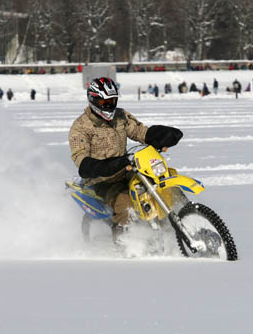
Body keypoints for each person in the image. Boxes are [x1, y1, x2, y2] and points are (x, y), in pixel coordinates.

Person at [69, 77, 183, 244]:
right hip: (102, 179)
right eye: (104, 101)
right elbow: (81, 160)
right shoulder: (80, 127)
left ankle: (180, 222)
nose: (109, 105)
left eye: (112, 100)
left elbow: (140, 131)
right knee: (126, 206)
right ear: (93, 99)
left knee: (162, 186)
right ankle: (124, 248)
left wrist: (162, 134)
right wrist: (106, 166)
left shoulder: (121, 116)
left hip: (127, 169)